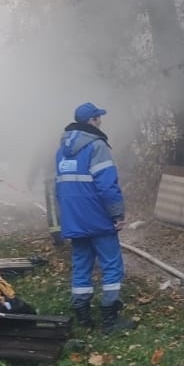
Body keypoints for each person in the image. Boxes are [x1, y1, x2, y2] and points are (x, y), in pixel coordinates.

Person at [55, 102, 135, 333]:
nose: (101, 121)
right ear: (91, 121)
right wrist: (117, 213)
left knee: (81, 264)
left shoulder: (61, 149)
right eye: (98, 117)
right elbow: (107, 184)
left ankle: (82, 316)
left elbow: (59, 187)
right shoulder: (97, 146)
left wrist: (66, 217)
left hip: (74, 218)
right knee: (112, 266)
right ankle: (109, 319)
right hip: (97, 217)